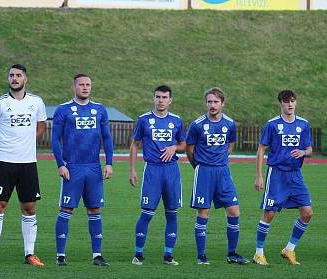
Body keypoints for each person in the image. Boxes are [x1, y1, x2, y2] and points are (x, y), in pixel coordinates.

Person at [0, 64, 47, 267]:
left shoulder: (36, 102)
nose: (14, 78)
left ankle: (30, 254)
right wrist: (2, 149)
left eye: (18, 75)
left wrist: (29, 143)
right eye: (11, 75)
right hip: (4, 162)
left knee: (29, 207)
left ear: (25, 79)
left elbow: (41, 124)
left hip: (28, 163)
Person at [51, 73, 114, 267]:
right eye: (81, 85)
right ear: (74, 87)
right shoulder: (63, 110)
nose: (85, 88)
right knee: (66, 209)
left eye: (88, 85)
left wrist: (109, 163)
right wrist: (60, 164)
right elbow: (55, 139)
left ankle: (97, 255)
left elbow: (107, 138)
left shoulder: (99, 110)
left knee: (95, 209)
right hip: (72, 167)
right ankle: (60, 255)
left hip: (94, 168)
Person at [186, 87, 249, 265]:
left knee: (234, 210)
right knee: (204, 212)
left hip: (223, 171)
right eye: (209, 102)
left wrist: (221, 159)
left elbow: (230, 144)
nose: (212, 105)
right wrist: (198, 166)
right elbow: (190, 150)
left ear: (222, 103)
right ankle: (201, 256)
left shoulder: (229, 123)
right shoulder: (197, 125)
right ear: (206, 103)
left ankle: (232, 253)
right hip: (204, 171)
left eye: (215, 102)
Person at [251, 90, 314, 266]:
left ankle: (289, 249)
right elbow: (261, 149)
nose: (290, 104)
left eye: (293, 101)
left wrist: (302, 152)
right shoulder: (272, 125)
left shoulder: (303, 124)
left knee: (307, 213)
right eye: (286, 101)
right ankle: (258, 253)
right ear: (280, 103)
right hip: (276, 173)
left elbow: (309, 149)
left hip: (295, 175)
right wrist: (259, 175)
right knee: (269, 213)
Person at [128, 85, 186, 266]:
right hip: (152, 170)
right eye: (158, 97)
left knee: (172, 213)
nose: (160, 100)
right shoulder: (144, 120)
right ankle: (138, 253)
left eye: (164, 97)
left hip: (171, 171)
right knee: (146, 214)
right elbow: (135, 144)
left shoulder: (176, 121)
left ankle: (168, 255)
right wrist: (132, 169)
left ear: (170, 100)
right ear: (154, 98)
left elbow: (184, 144)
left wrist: (174, 147)